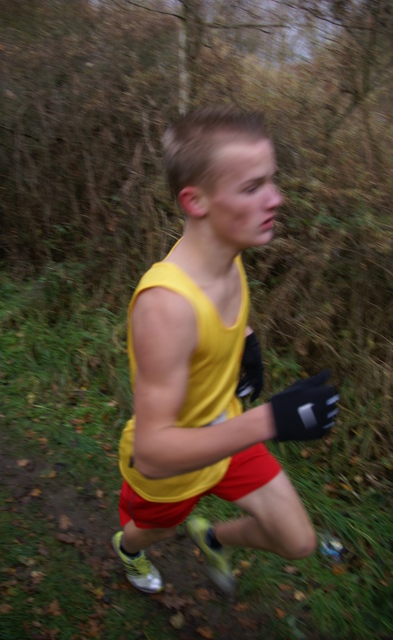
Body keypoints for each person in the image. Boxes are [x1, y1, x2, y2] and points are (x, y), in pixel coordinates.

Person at [112, 106, 339, 594]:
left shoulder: (226, 256)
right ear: (196, 201)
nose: (276, 199)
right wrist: (272, 421)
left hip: (226, 432)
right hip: (174, 466)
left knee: (297, 540)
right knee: (153, 531)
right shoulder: (166, 307)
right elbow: (152, 453)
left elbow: (223, 316)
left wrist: (248, 342)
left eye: (272, 182)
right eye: (252, 187)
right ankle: (126, 550)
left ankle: (212, 536)